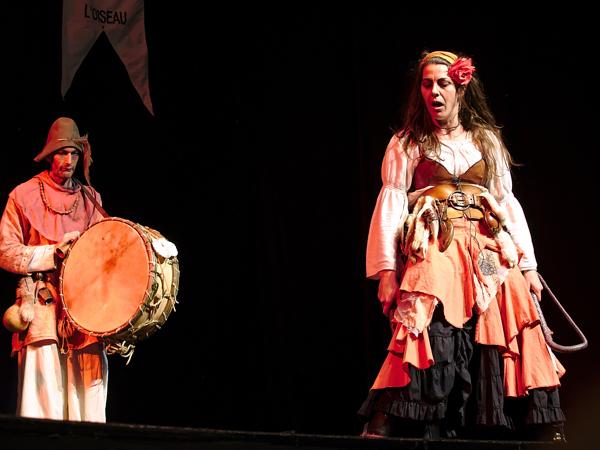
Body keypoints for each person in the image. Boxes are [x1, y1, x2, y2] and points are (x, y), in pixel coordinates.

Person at [357, 50, 566, 441]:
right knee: (424, 315)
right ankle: (386, 415)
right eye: (427, 84)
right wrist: (386, 271)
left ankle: (539, 422)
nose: (434, 92)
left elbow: (506, 202)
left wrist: (529, 267)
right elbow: (391, 203)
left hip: (485, 246)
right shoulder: (408, 142)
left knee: (513, 306)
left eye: (443, 84)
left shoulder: (485, 140)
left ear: (461, 89)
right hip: (438, 240)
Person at [0, 116, 108, 422]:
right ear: (50, 155)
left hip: (84, 311)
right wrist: (53, 252)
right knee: (43, 399)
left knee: (88, 401)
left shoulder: (91, 200)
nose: (69, 161)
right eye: (62, 153)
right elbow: (5, 252)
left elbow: (105, 256)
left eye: (74, 153)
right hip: (42, 304)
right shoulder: (23, 195)